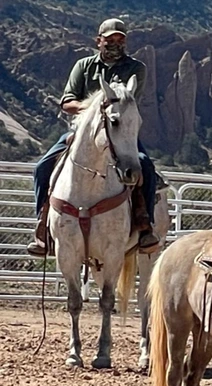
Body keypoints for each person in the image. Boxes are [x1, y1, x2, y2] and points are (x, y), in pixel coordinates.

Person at [26, 18, 160, 256]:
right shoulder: (84, 66)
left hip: (119, 130)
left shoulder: (136, 68)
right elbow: (67, 102)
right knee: (42, 166)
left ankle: (144, 224)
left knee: (145, 167)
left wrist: (105, 110)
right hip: (82, 131)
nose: (115, 44)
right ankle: (42, 225)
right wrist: (93, 109)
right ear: (99, 41)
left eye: (120, 40)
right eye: (109, 39)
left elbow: (127, 103)